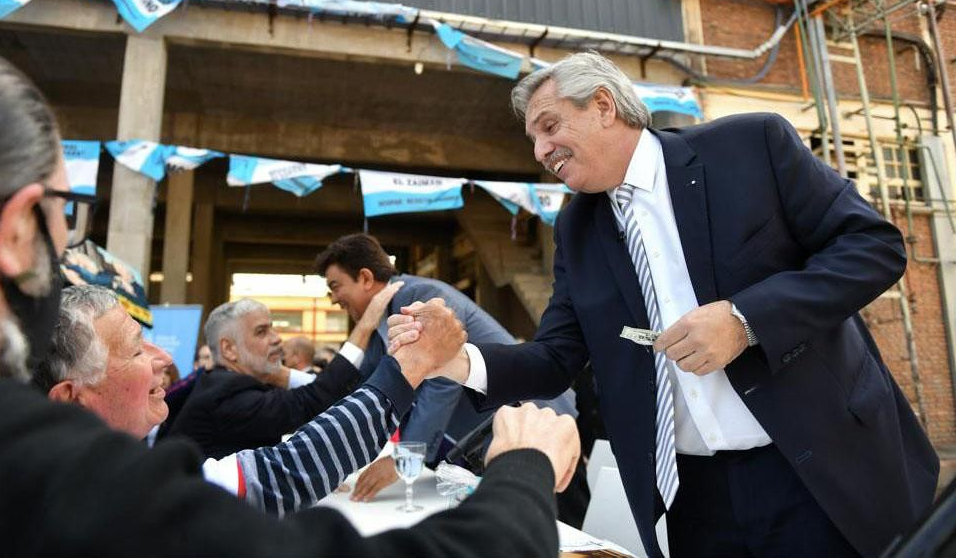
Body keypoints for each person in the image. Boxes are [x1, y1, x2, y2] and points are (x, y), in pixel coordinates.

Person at [0, 32, 579, 558]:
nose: (166, 361)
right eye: (62, 211)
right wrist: (521, 470)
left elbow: (278, 471)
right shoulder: (16, 461)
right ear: (16, 229)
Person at [389, 52, 939, 557]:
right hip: (693, 499)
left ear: (603, 105)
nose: (539, 151)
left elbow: (873, 246)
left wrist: (745, 320)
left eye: (550, 127)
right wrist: (454, 358)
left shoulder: (750, 146)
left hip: (816, 468)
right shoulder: (577, 228)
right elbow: (557, 355)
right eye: (532, 138)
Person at [39, 284, 477, 516]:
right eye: (136, 349)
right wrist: (405, 365)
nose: (164, 359)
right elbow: (286, 470)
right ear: (73, 399)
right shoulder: (106, 496)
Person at [314, 233, 579, 505]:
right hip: (489, 437)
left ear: (366, 278)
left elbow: (443, 380)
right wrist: (334, 453)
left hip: (539, 419)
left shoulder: (420, 297)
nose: (333, 299)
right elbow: (368, 388)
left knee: (558, 526)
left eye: (336, 286)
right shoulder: (380, 326)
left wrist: (404, 458)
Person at [160, 289, 398, 459]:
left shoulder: (219, 382)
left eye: (272, 328)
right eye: (262, 332)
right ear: (229, 349)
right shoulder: (228, 395)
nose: (276, 338)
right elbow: (313, 401)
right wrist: (366, 325)